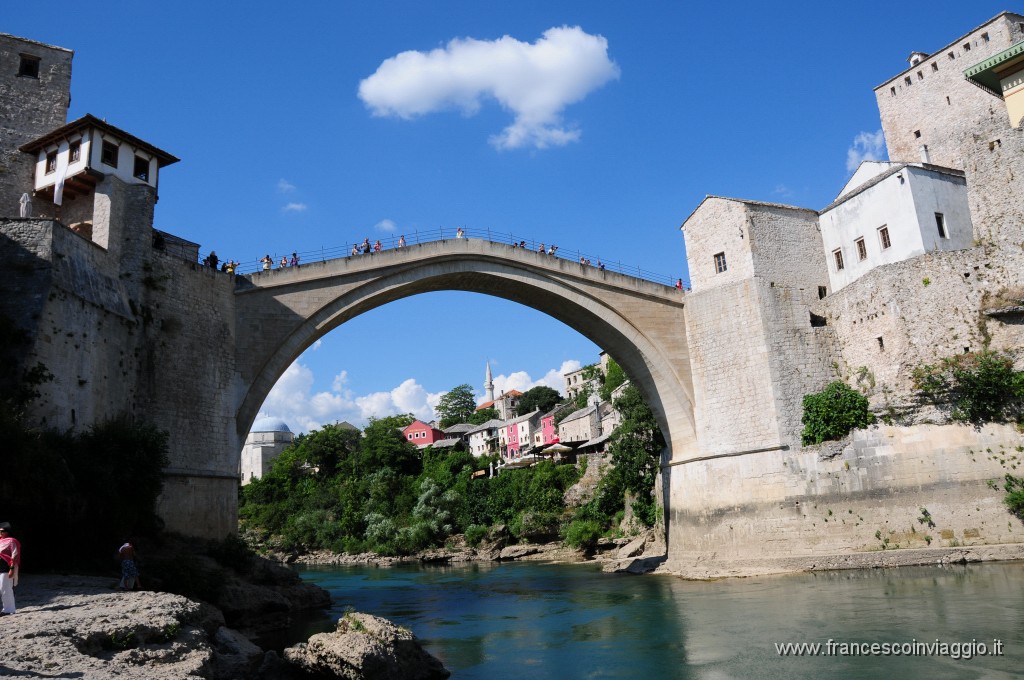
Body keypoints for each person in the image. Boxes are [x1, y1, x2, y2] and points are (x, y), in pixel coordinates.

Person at [0, 522, 21, 615]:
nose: (0, 533)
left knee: (5, 588)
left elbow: (15, 554)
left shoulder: (12, 541)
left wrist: (12, 568)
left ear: (7, 532)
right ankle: (7, 608)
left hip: (6, 566)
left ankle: (9, 609)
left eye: (2, 531)